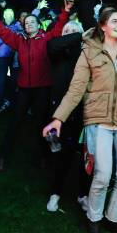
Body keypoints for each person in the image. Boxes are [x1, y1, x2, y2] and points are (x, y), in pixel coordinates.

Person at [43, 7, 117, 233]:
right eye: (115, 21)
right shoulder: (89, 52)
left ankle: (114, 218)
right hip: (98, 120)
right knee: (102, 175)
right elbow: (76, 89)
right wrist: (58, 118)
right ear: (103, 26)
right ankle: (94, 220)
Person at [0, 0, 72, 173]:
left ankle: (47, 157)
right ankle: (3, 157)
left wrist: (65, 11)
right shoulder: (19, 41)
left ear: (38, 25)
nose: (28, 24)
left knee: (43, 123)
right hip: (24, 89)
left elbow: (59, 28)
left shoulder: (46, 39)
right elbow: (3, 32)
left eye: (32, 22)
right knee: (15, 123)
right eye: (26, 22)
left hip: (43, 88)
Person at [44, 20, 91, 212]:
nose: (70, 33)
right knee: (61, 155)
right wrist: (78, 34)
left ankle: (83, 195)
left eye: (74, 30)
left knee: (86, 155)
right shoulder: (56, 49)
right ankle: (55, 193)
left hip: (83, 110)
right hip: (60, 112)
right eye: (67, 31)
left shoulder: (85, 51)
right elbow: (53, 44)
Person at [0, 8, 17, 112]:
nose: (9, 15)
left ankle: (10, 102)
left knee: (14, 81)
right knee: (1, 81)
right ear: (4, 16)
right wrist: (6, 35)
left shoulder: (17, 26)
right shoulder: (0, 27)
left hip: (14, 58)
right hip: (3, 58)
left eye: (11, 13)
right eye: (7, 14)